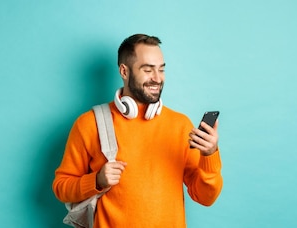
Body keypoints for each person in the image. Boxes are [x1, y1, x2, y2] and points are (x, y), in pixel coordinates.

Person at [52, 34, 223, 227]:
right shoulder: (90, 123)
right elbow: (61, 187)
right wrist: (97, 180)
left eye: (161, 69)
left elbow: (205, 198)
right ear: (124, 71)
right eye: (148, 70)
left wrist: (209, 155)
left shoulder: (180, 124)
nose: (157, 78)